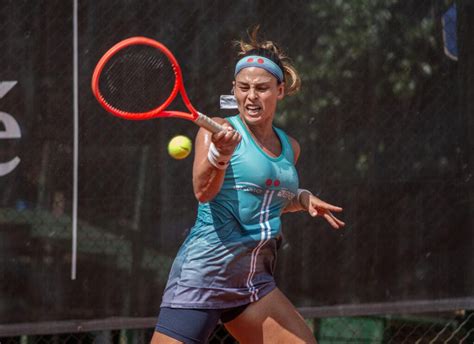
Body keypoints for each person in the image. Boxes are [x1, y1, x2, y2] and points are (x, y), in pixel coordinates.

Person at [151, 28, 345, 344]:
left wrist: (303, 198)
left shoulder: (290, 146)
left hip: (253, 282)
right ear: (234, 89)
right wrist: (220, 155)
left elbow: (271, 197)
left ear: (280, 91)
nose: (251, 96)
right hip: (205, 276)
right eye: (243, 88)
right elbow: (204, 191)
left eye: (262, 88)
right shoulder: (218, 131)